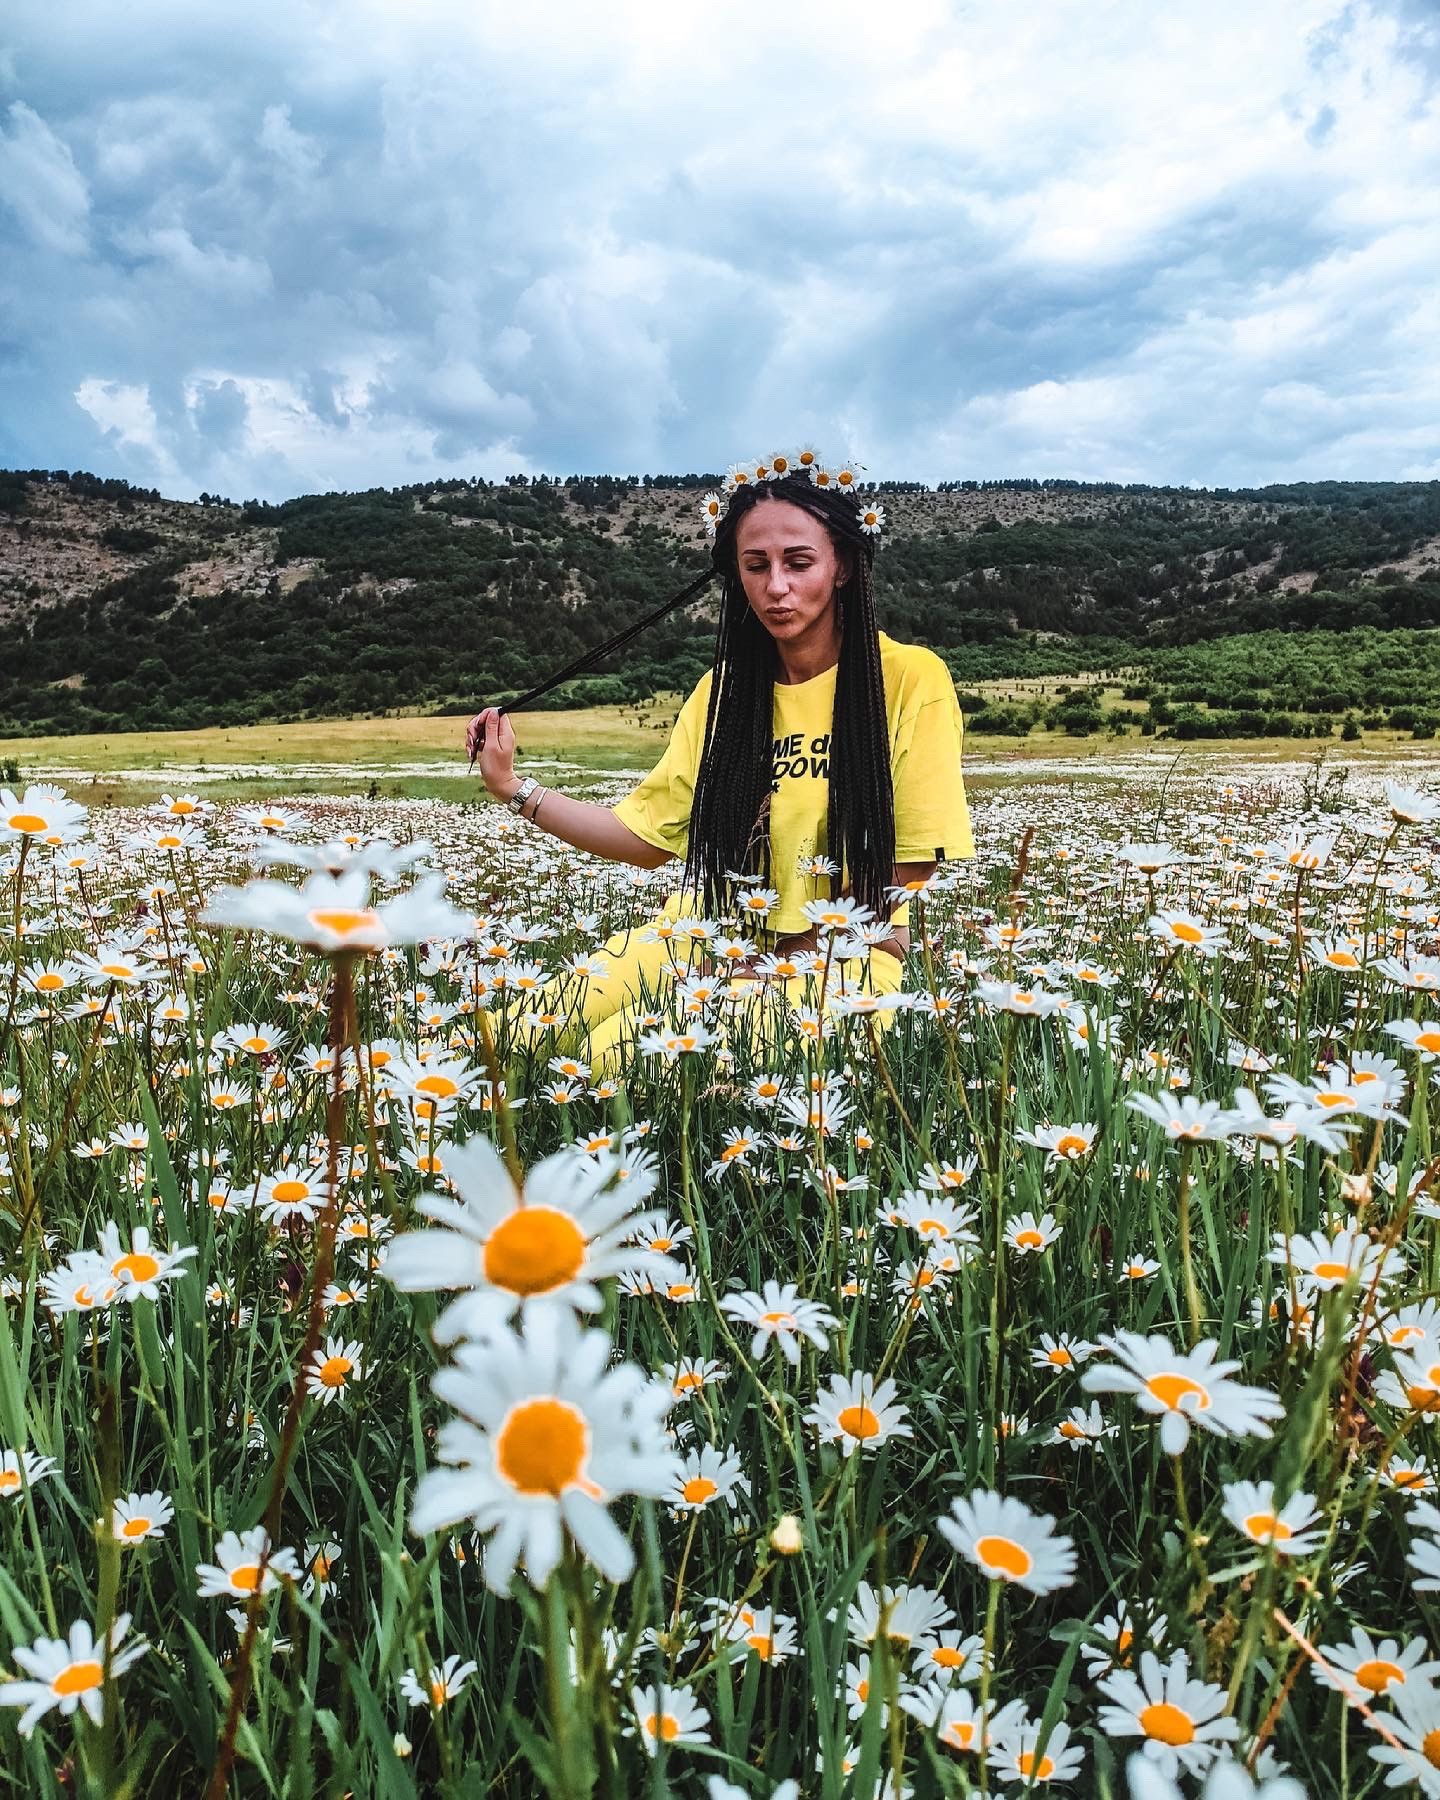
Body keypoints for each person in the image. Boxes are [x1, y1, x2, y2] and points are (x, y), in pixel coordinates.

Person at [466, 452, 974, 1076]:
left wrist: (766, 966)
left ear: (842, 566)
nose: (776, 587)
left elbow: (911, 864)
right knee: (518, 1031)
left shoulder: (907, 679)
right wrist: (513, 788)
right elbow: (648, 838)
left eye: (799, 562)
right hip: (710, 932)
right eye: (755, 566)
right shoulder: (723, 692)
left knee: (616, 1061)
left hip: (844, 954)